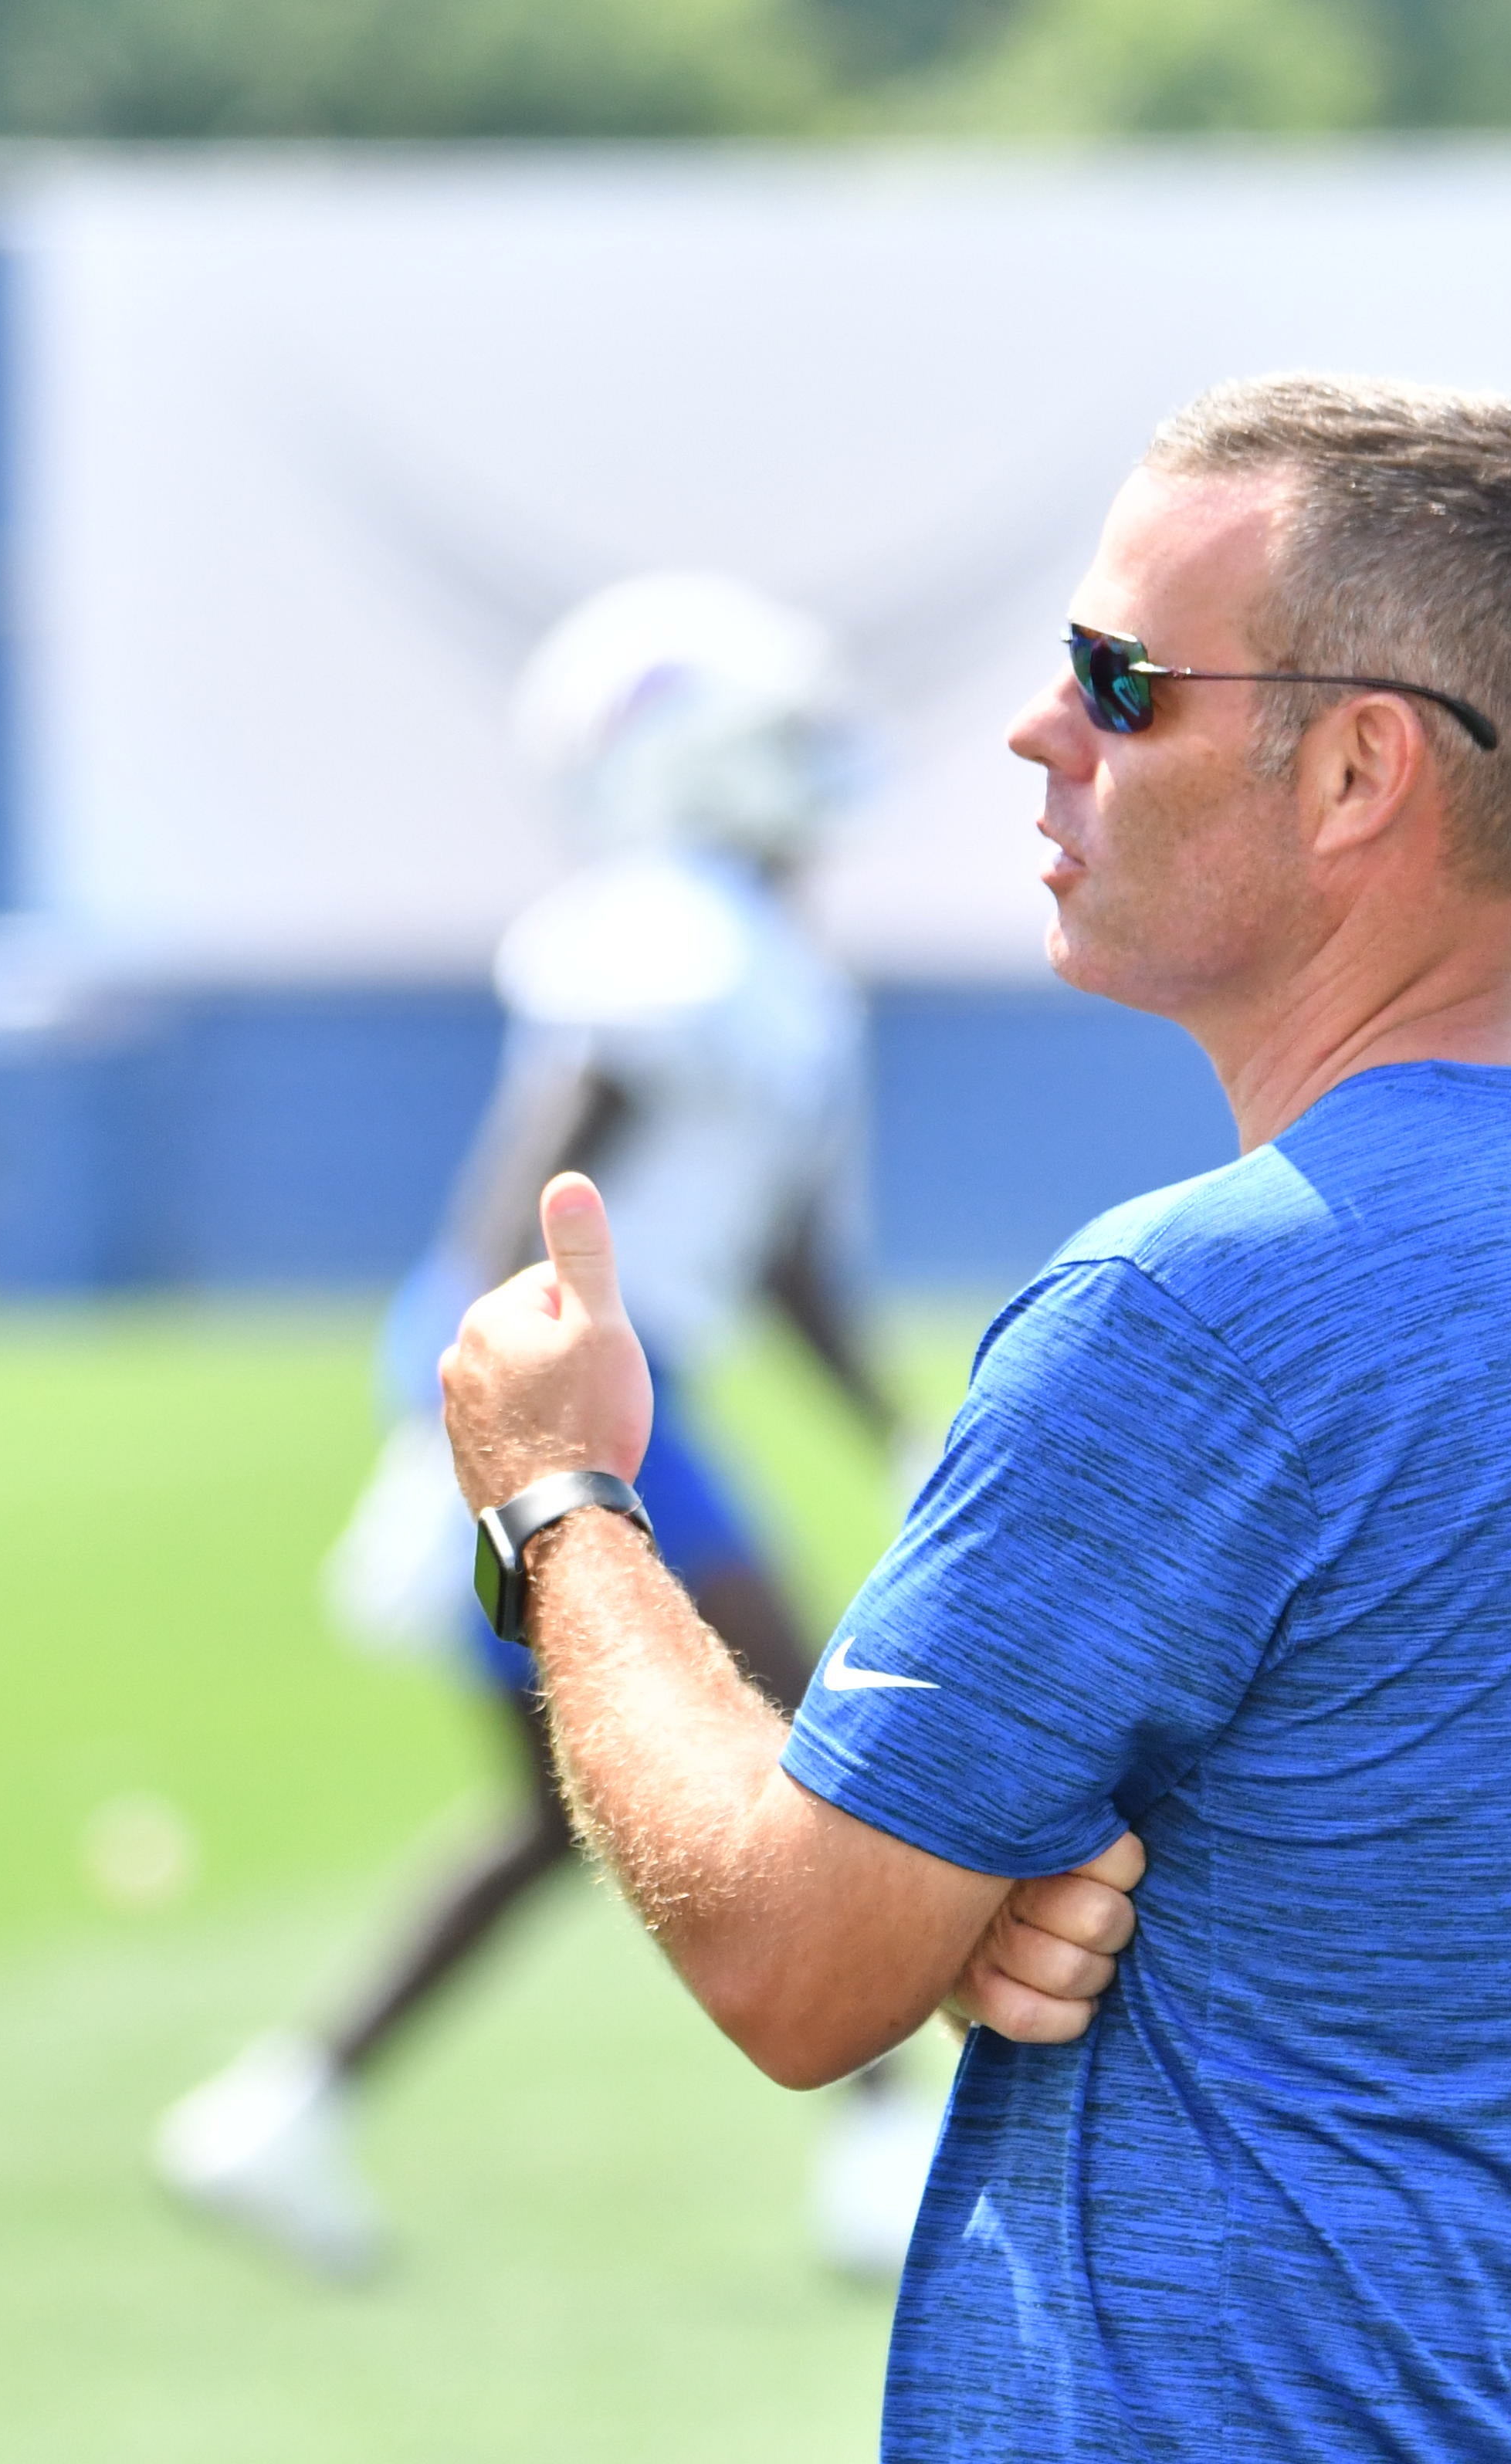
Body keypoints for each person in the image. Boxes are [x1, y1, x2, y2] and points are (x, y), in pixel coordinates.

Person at [440, 377, 1511, 2461]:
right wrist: (983, 1887)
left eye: (1120, 678)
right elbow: (1361, 1899)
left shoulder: (1195, 1312)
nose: (1036, 730)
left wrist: (557, 1493)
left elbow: (793, 1963)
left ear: (1356, 770)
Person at [157, 574, 945, 2278]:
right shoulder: (673, 937)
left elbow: (784, 1243)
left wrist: (895, 1420)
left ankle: (281, 2110)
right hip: (573, 1380)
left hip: (601, 1379)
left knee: (552, 1814)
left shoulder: (745, 951)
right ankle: (886, 2146)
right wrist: (501, 1425)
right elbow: (532, 1178)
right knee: (816, 1737)